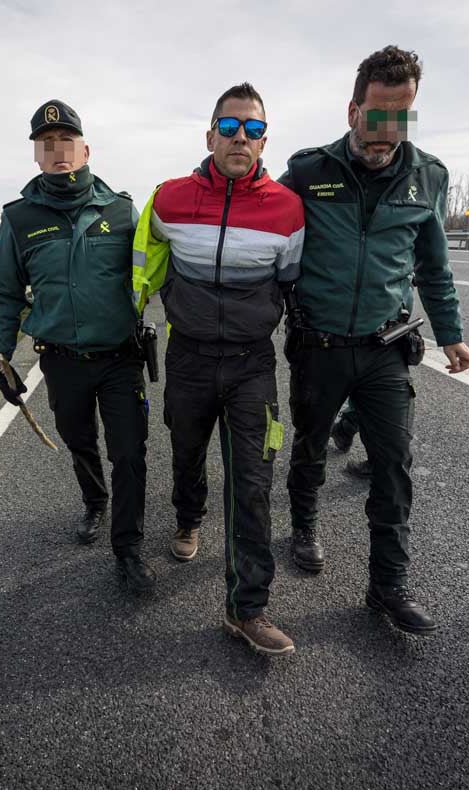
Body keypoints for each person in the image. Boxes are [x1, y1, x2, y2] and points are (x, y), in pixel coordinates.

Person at [280, 46, 469, 636]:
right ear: (353, 111)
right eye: (377, 115)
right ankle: (305, 526)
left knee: (394, 464)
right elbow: (273, 244)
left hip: (386, 346)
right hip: (318, 345)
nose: (386, 131)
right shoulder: (309, 171)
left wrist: (453, 336)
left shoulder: (428, 176)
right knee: (310, 443)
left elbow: (434, 268)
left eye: (401, 115)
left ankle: (387, 587)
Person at [133, 83, 304, 655]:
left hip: (253, 364)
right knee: (185, 452)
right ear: (209, 135)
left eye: (253, 130)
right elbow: (143, 265)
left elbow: (292, 284)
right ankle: (187, 517)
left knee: (253, 485)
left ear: (263, 141)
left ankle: (246, 608)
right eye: (229, 127)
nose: (240, 138)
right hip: (188, 357)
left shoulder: (287, 208)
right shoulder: (168, 200)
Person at [0, 99, 154, 594]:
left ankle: (128, 549)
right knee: (80, 441)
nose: (58, 151)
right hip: (61, 362)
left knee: (129, 453)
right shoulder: (19, 219)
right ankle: (95, 501)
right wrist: (2, 357)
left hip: (120, 357)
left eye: (66, 143)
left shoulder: (123, 210)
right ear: (37, 157)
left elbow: (158, 273)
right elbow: (5, 292)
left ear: (86, 150)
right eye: (47, 145)